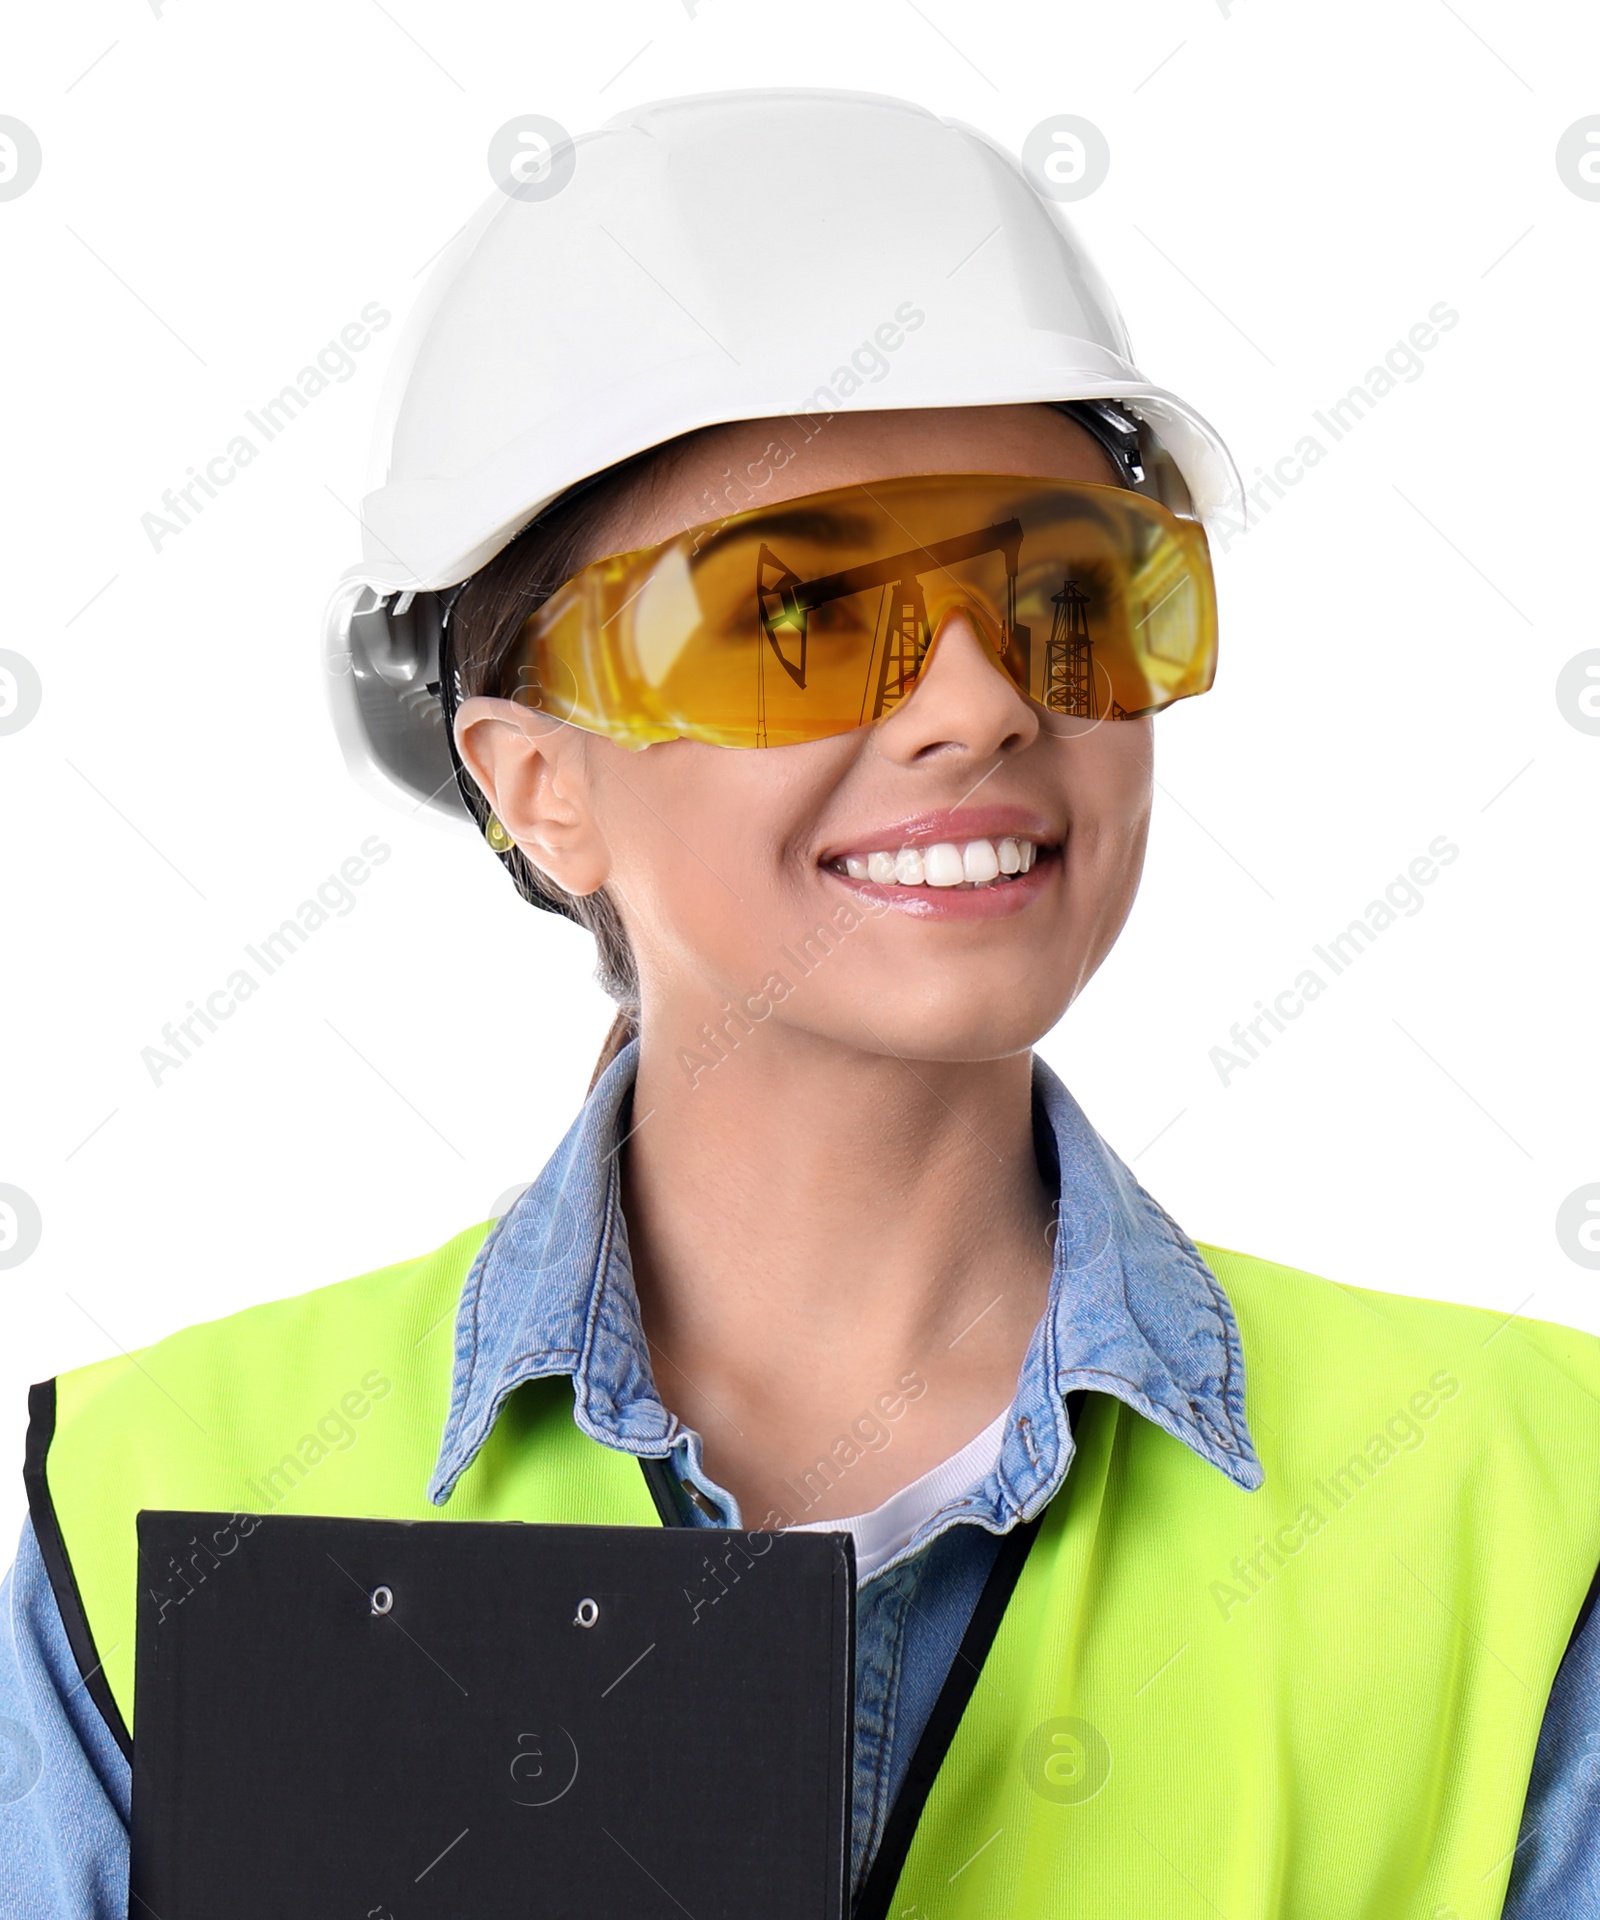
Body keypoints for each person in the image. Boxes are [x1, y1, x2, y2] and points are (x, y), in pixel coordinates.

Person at [4, 87, 1599, 1920]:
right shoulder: (162, 1509)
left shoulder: (1519, 1501)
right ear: (539, 785)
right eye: (798, 617)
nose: (982, 705)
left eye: (1068, 592)